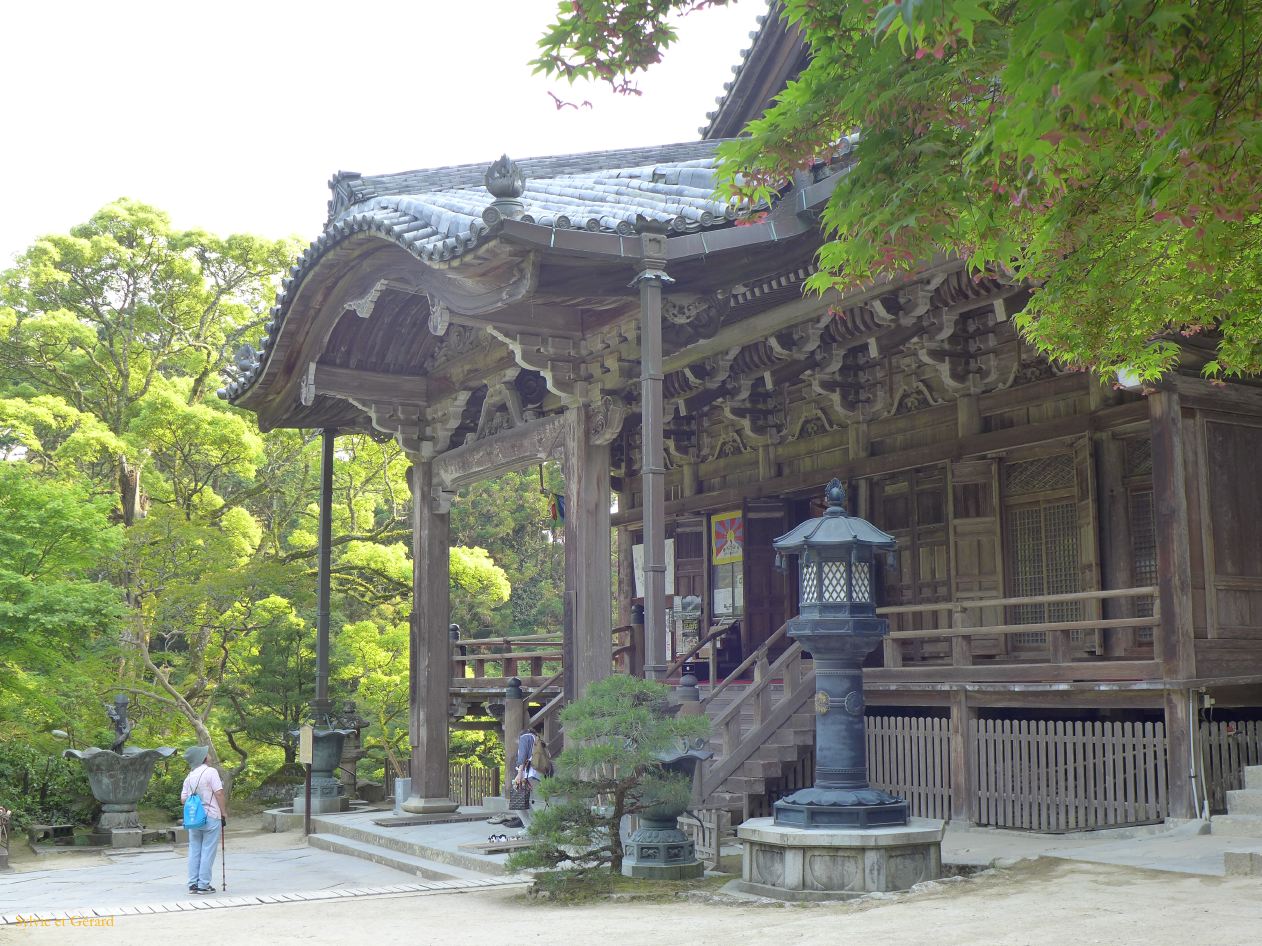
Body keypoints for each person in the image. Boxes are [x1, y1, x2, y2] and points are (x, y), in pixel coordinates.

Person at [180, 745, 227, 894]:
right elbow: (219, 793)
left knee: (194, 850)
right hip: (211, 816)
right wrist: (224, 812)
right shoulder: (211, 772)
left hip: (194, 818)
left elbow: (183, 799)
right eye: (207, 754)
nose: (210, 755)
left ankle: (193, 884)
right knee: (208, 851)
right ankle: (203, 885)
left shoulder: (189, 776)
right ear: (204, 758)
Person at [512, 725, 547, 828]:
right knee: (532, 802)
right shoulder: (538, 740)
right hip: (539, 775)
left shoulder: (525, 737)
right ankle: (536, 827)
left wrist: (519, 773)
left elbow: (522, 756)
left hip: (527, 775)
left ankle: (530, 827)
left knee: (517, 802)